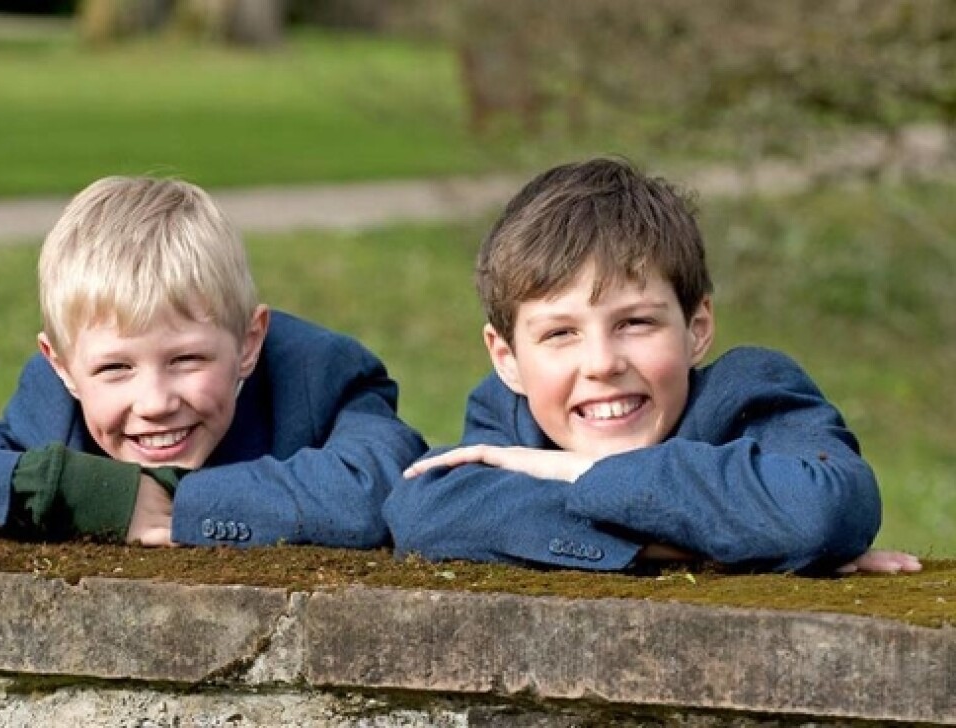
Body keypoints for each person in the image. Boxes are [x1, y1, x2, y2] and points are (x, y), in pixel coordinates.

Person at [0, 176, 427, 547]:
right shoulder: (49, 424)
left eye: (186, 359)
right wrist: (70, 492)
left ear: (248, 342)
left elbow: (383, 488)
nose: (155, 402)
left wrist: (180, 505)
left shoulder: (321, 380)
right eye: (115, 369)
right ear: (62, 367)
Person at [385, 158, 920, 574]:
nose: (601, 363)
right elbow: (424, 511)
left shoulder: (751, 392)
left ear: (696, 328)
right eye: (560, 333)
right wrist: (706, 539)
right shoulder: (507, 417)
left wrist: (578, 471)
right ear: (508, 359)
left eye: (636, 323)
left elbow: (822, 510)